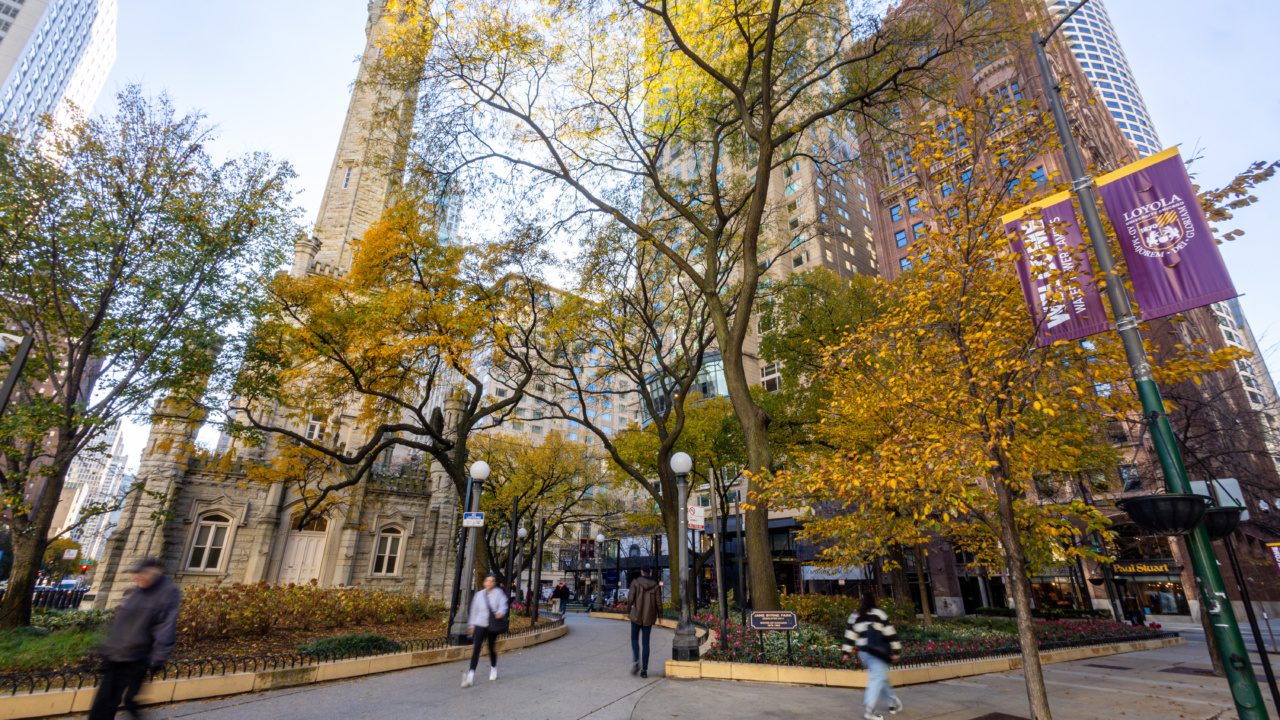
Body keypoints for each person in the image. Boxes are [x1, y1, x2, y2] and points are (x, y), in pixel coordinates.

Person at [89, 557, 181, 720]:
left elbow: (165, 628)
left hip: (137, 656)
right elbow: (122, 622)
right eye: (135, 574)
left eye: (140, 574)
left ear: (153, 572)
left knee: (126, 701)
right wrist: (106, 648)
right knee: (105, 703)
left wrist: (158, 658)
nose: (135, 578)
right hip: (117, 654)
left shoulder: (167, 592)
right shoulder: (137, 591)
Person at [842, 592, 903, 720]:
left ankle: (892, 704)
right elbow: (890, 633)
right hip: (878, 653)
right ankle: (869, 710)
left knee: (881, 678)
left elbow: (849, 635)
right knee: (877, 678)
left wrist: (846, 652)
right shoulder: (879, 614)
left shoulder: (855, 615)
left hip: (863, 653)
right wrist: (896, 651)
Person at [461, 574, 509, 688]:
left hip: (492, 625)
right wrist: (472, 625)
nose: (490, 583)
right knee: (476, 648)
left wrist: (501, 612)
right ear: (484, 583)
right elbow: (474, 610)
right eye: (488, 581)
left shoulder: (499, 593)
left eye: (492, 581)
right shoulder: (479, 595)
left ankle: (493, 667)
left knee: (491, 647)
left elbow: (504, 605)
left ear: (494, 583)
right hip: (480, 624)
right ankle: (471, 675)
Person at [625, 567, 661, 678]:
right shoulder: (655, 585)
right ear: (649, 572)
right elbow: (658, 602)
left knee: (634, 639)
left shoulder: (635, 583)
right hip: (648, 618)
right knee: (646, 643)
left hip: (636, 616)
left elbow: (630, 599)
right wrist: (661, 615)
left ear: (641, 572)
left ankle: (636, 660)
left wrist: (628, 611)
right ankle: (644, 670)